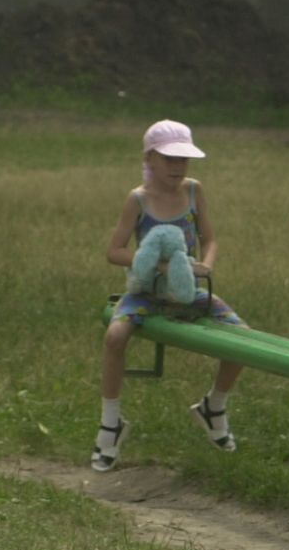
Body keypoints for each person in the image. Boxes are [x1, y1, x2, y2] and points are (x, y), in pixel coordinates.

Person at [94, 119, 247, 472]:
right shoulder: (138, 199)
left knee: (243, 339)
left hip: (189, 289)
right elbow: (114, 251)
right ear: (151, 157)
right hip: (145, 290)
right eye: (170, 159)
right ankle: (110, 423)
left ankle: (214, 406)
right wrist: (155, 265)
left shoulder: (194, 191)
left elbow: (210, 238)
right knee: (115, 336)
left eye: (184, 160)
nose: (178, 167)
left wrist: (205, 264)